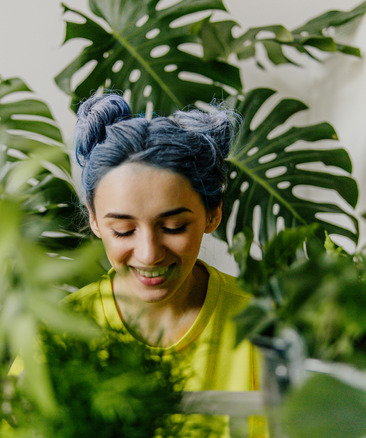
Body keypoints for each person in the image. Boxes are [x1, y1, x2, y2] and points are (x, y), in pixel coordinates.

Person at [69, 94, 267, 437]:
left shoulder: (265, 326)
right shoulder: (60, 330)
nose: (148, 255)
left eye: (173, 227)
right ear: (94, 219)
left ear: (213, 212)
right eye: (123, 230)